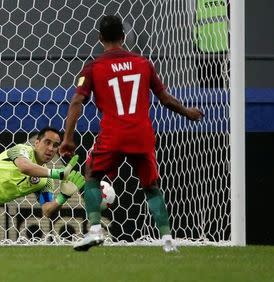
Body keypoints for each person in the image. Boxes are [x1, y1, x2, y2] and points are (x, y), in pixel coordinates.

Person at [60, 15, 204, 252]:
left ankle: (95, 230)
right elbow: (165, 99)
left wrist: (67, 138)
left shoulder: (94, 67)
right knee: (151, 185)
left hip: (113, 134)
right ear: (124, 37)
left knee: (92, 174)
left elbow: (77, 101)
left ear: (100, 39)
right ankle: (168, 240)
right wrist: (188, 112)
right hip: (142, 134)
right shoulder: (143, 63)